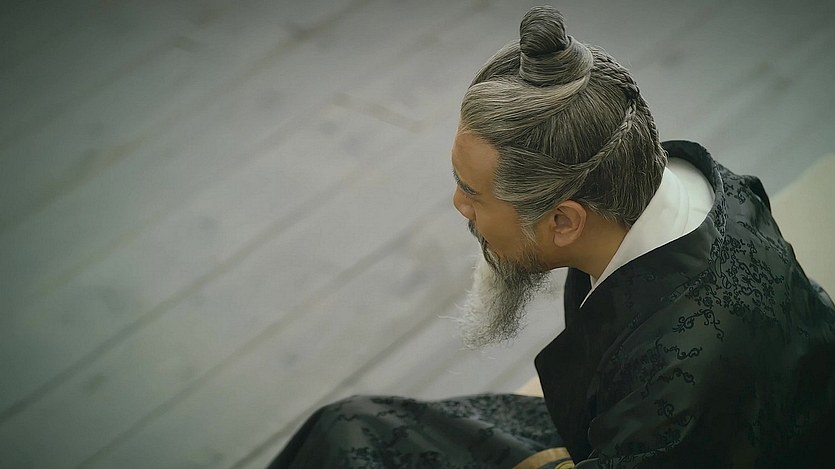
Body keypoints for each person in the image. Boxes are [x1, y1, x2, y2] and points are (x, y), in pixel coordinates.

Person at [271, 6, 835, 468]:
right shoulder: (704, 185)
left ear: (564, 221)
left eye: (473, 193)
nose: (458, 206)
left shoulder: (678, 377)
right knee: (347, 429)